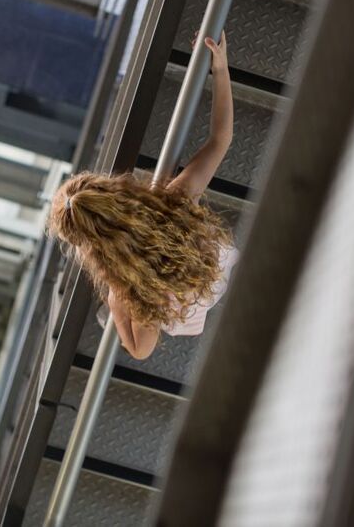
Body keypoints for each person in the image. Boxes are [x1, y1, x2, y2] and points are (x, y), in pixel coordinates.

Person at [48, 31, 238, 360]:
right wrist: (220, 68)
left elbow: (139, 350)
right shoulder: (171, 201)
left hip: (205, 293)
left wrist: (116, 307)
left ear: (89, 246)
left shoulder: (126, 284)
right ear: (112, 190)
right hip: (208, 263)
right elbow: (221, 138)